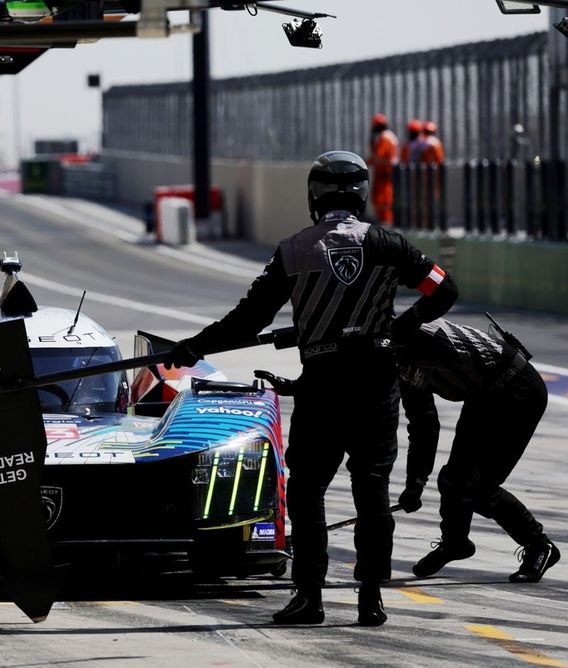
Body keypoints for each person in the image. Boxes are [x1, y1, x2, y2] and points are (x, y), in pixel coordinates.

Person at [163, 150, 458, 627]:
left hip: (323, 387)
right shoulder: (391, 245)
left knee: (306, 492)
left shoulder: (295, 249)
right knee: (372, 490)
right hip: (377, 384)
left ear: (313, 195)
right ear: (362, 194)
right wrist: (396, 331)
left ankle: (310, 597)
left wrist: (194, 347)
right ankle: (370, 598)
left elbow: (248, 319)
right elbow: (444, 291)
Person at [394, 318, 558, 583]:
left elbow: (425, 425)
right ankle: (455, 544)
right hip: (485, 395)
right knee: (452, 480)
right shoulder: (400, 355)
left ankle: (540, 545)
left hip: (519, 391)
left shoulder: (414, 345)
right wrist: (416, 482)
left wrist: (416, 483)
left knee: (478, 489)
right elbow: (423, 424)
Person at [367, 113, 399, 226]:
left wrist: (366, 162)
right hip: (387, 173)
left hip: (384, 174)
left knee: (381, 199)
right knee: (384, 198)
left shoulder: (384, 138)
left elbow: (379, 156)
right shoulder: (389, 136)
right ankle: (385, 222)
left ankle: (385, 223)